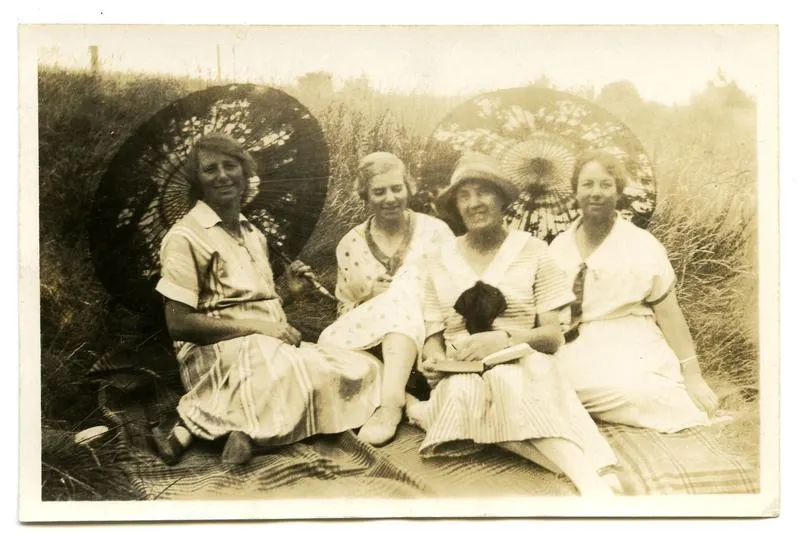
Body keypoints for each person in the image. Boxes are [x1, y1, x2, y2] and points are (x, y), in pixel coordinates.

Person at [151, 133, 382, 466]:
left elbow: (260, 304)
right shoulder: (184, 237)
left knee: (363, 367)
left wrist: (288, 292)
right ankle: (240, 429)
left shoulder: (253, 234)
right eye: (210, 169)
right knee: (274, 363)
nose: (222, 175)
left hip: (268, 346)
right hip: (215, 352)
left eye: (230, 166)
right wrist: (260, 328)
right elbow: (179, 324)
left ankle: (222, 429)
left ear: (245, 174)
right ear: (197, 181)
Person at [405, 153, 620, 497]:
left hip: (525, 362)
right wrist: (431, 361)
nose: (474, 203)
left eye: (484, 192)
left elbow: (552, 336)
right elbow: (433, 337)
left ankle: (423, 413)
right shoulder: (437, 260)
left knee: (508, 380)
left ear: (502, 198)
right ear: (456, 206)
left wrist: (503, 339)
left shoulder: (533, 250)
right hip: (461, 372)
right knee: (467, 390)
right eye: (464, 195)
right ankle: (590, 474)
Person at [548, 149, 719, 433]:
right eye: (587, 184)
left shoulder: (641, 244)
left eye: (605, 185)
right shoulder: (559, 246)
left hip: (628, 338)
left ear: (618, 191)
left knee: (636, 391)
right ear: (575, 191)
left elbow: (669, 314)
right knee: (547, 386)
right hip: (574, 341)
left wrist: (694, 376)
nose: (596, 193)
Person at [317, 152, 455, 446]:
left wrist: (437, 340)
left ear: (409, 187)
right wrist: (369, 297)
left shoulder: (436, 232)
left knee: (406, 284)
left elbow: (453, 294)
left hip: (427, 343)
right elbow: (345, 310)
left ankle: (389, 404)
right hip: (374, 348)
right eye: (379, 191)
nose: (390, 198)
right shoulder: (350, 244)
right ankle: (408, 403)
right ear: (365, 195)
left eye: (396, 188)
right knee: (324, 345)